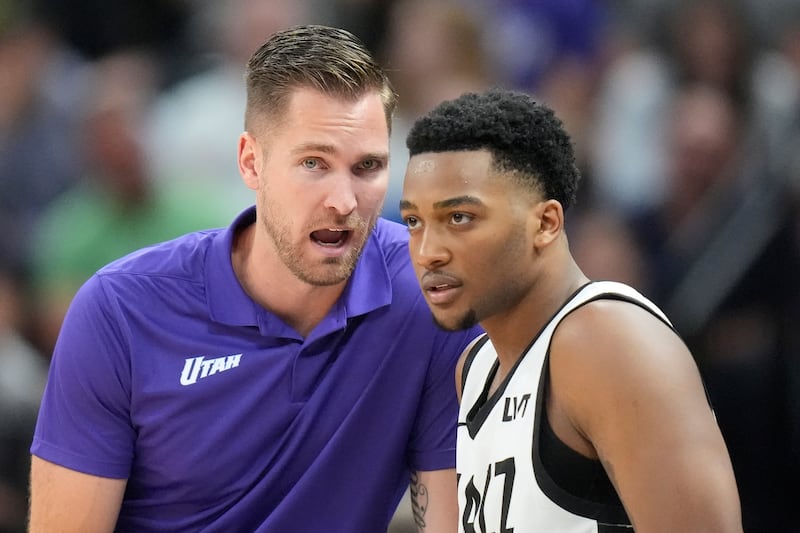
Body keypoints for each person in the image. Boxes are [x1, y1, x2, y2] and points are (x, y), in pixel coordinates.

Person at [28, 25, 481, 532]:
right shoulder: (118, 311)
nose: (344, 201)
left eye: (367, 166)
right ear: (251, 162)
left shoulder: (433, 295)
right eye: (314, 163)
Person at [399, 88, 743, 532]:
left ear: (545, 223)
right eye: (413, 222)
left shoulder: (607, 342)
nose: (428, 252)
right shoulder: (476, 366)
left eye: (460, 218)